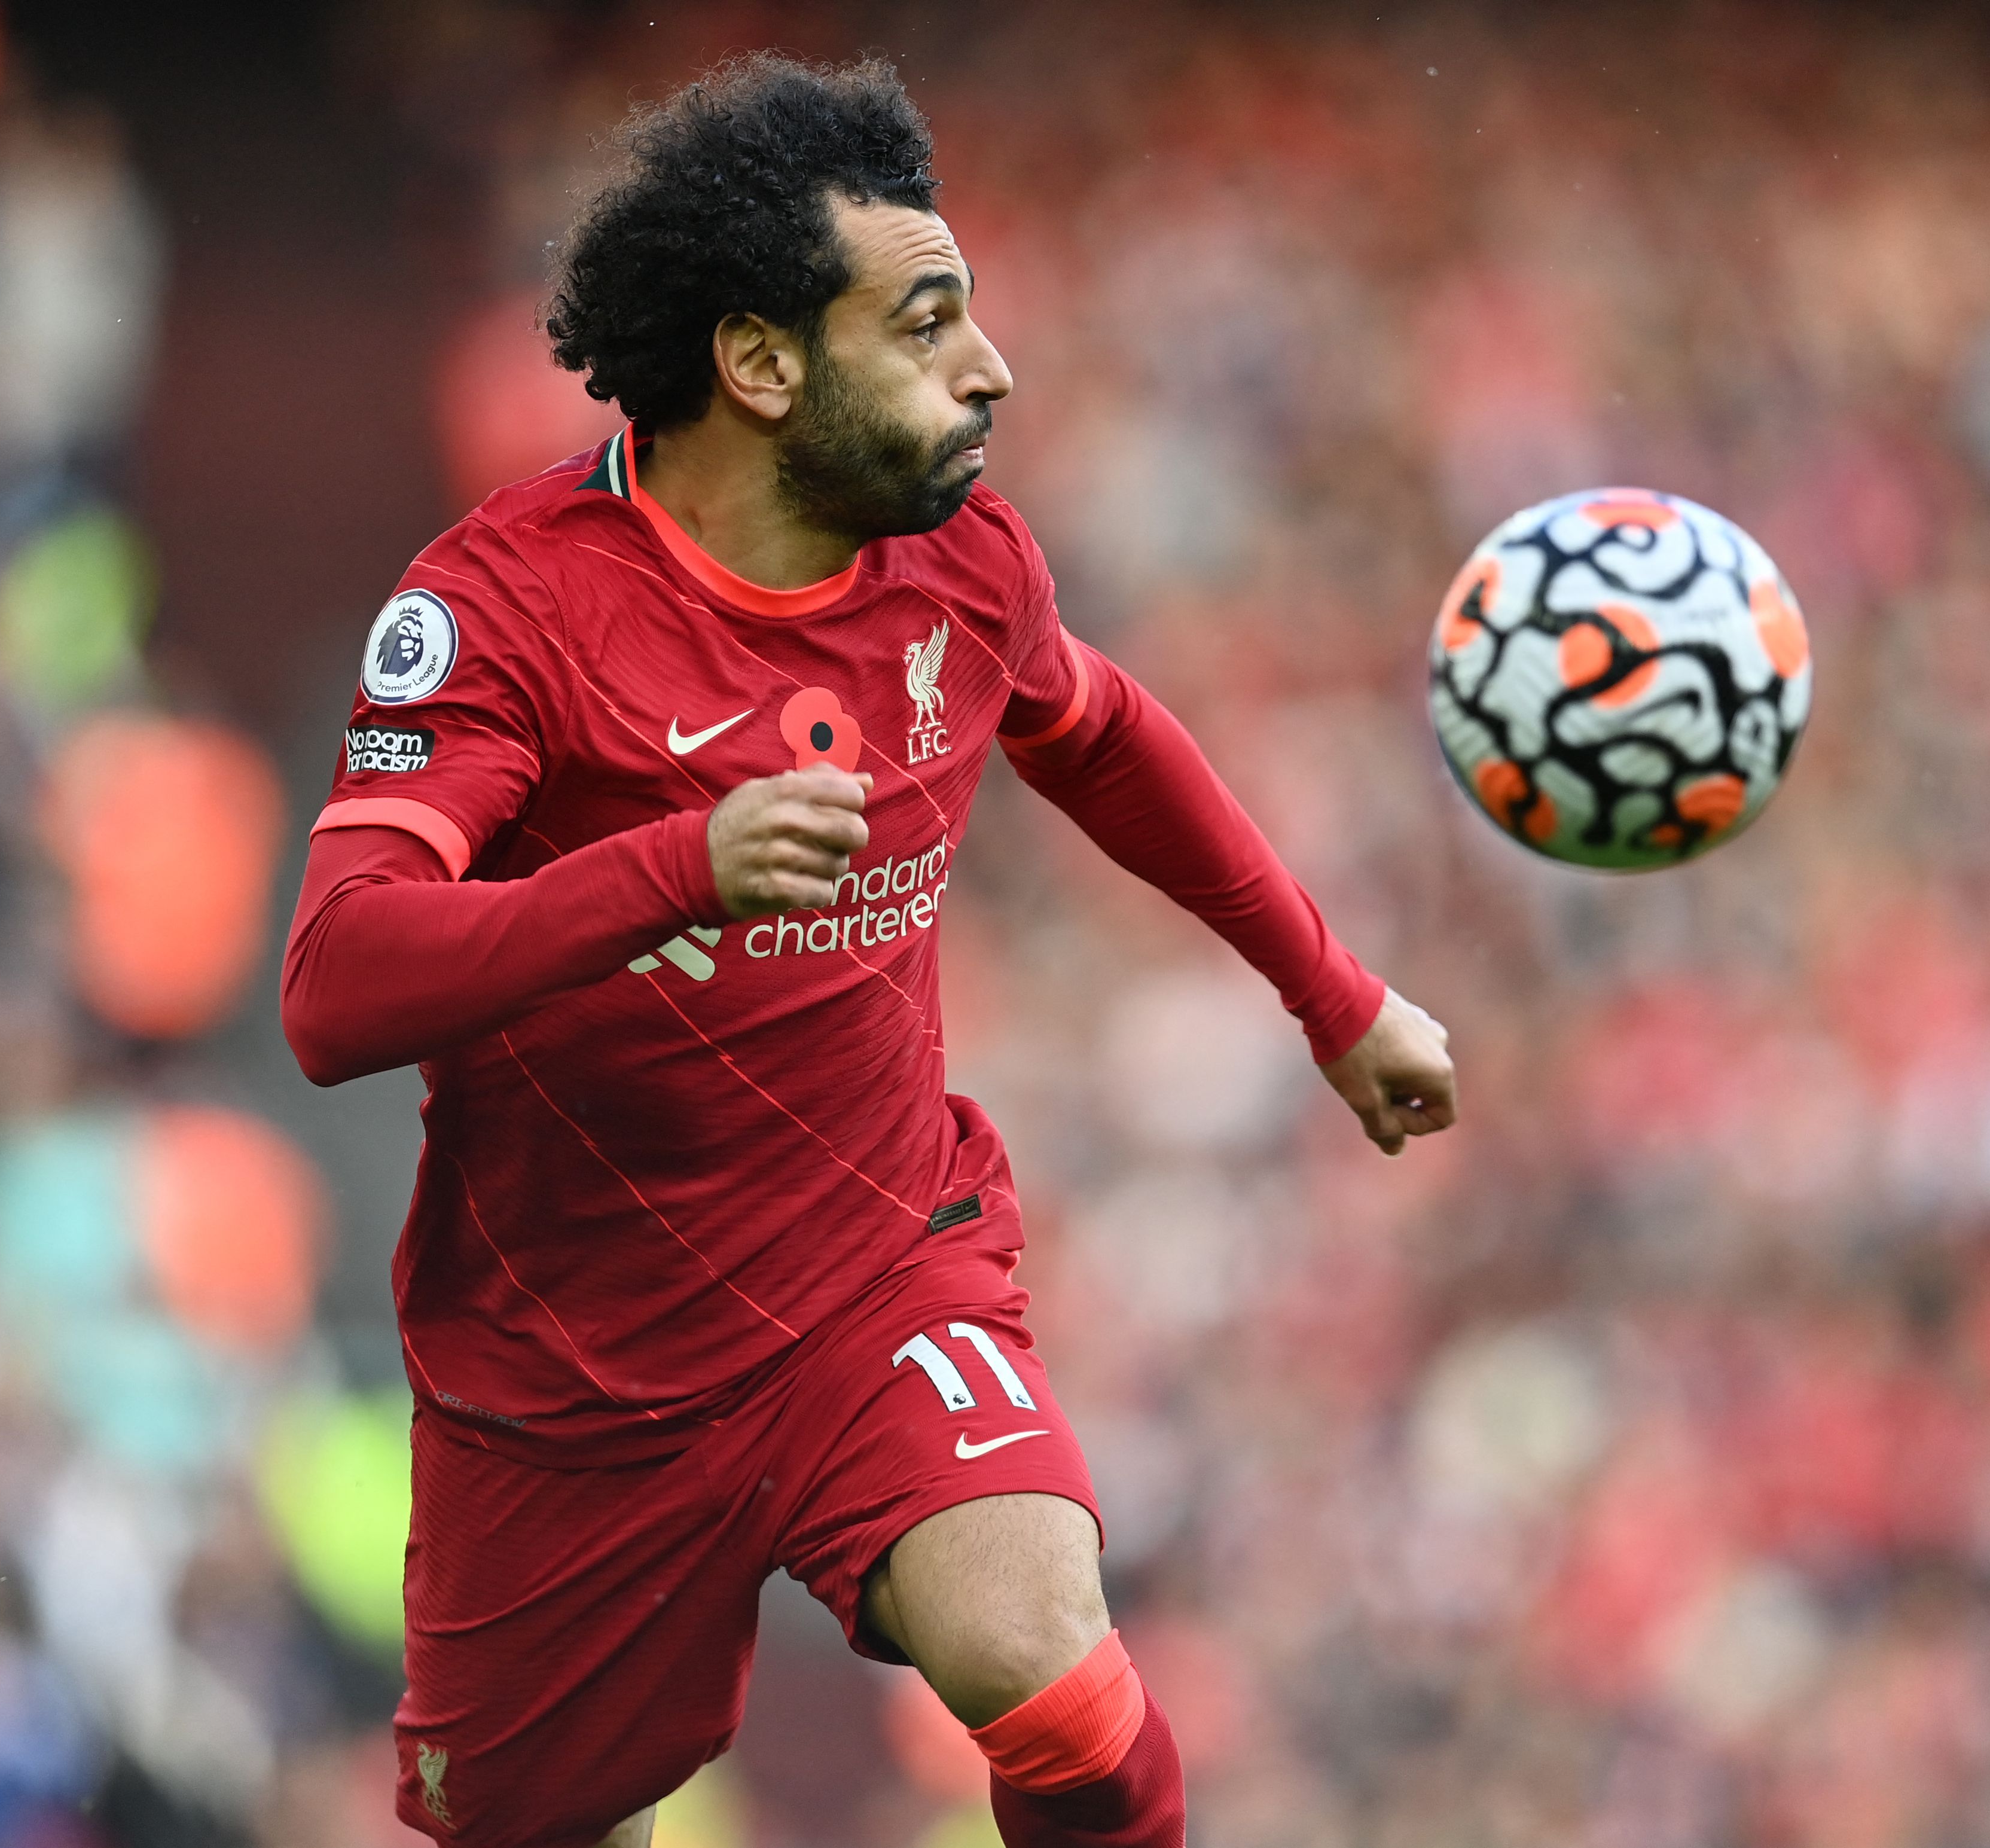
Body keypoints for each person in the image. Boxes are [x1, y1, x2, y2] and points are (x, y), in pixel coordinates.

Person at [280, 52, 1457, 1848]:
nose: (988, 368)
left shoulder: (959, 557)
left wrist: (1334, 994)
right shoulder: (498, 611)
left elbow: (1105, 734)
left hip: (873, 1276)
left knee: (1052, 1672)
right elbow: (336, 985)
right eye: (926, 325)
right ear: (760, 362)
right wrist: (679, 865)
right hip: (568, 1375)